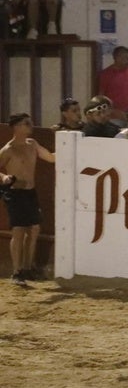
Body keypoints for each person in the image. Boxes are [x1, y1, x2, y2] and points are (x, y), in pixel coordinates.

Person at [0, 113, 55, 286]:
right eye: (26, 123)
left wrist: (69, 147)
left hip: (30, 192)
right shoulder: (8, 149)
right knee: (18, 231)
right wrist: (3, 178)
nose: (30, 125)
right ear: (16, 127)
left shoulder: (33, 144)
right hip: (15, 193)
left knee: (34, 229)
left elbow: (51, 158)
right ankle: (17, 271)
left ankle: (27, 267)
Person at [98, 46, 128, 127]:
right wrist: (112, 111)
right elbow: (101, 97)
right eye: (126, 58)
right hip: (113, 117)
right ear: (117, 58)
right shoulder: (106, 74)